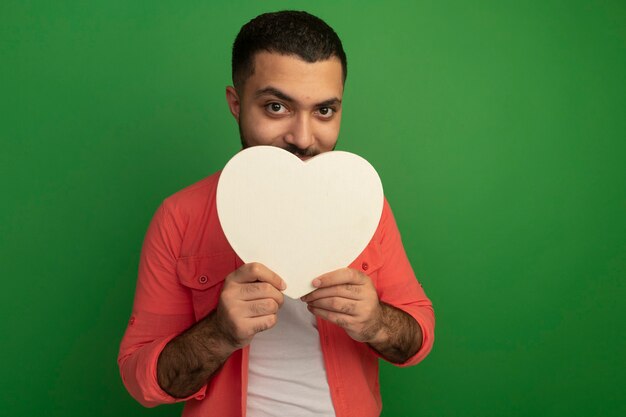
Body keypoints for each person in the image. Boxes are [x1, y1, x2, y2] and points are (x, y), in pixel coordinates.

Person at [118, 10, 435, 417]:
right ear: (236, 103)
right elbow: (141, 381)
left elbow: (418, 336)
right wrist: (219, 333)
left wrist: (376, 322)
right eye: (275, 107)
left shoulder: (366, 206)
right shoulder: (180, 216)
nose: (302, 139)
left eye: (324, 111)